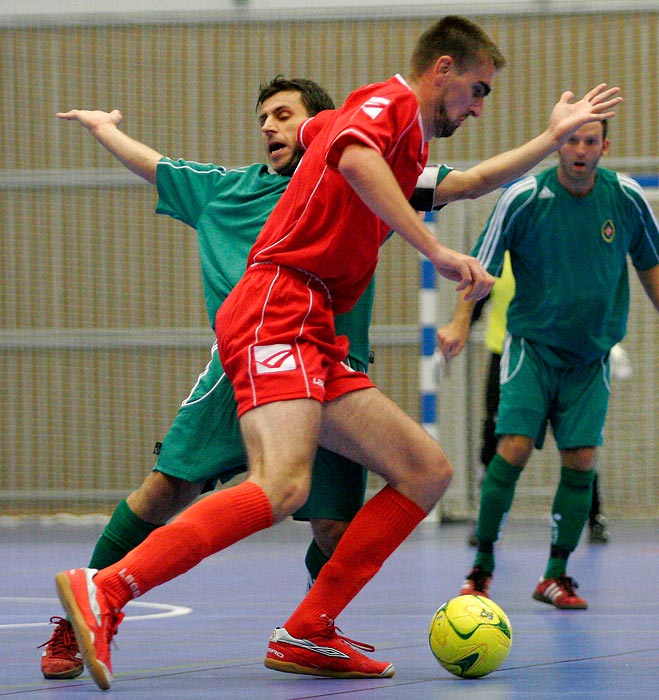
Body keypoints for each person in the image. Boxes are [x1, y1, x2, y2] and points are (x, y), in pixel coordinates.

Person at [54, 16, 621, 689]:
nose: (476, 107)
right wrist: (433, 249)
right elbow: (353, 157)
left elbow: (468, 182)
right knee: (279, 483)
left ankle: (308, 629)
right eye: (475, 91)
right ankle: (108, 589)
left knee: (424, 471)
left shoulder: (403, 149)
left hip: (315, 327)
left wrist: (551, 138)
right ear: (440, 70)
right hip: (276, 305)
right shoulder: (380, 106)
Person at [41, 76, 372, 680]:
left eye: (282, 114)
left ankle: (312, 628)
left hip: (331, 368)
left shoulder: (356, 180)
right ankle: (78, 616)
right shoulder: (231, 191)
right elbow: (158, 166)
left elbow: (454, 182)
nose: (268, 126)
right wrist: (106, 130)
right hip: (242, 363)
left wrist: (548, 141)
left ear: (321, 124)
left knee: (335, 526)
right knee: (167, 490)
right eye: (262, 118)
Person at [438, 118, 659, 611]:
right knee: (512, 448)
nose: (580, 150)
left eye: (590, 141)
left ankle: (556, 574)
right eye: (572, 140)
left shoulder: (625, 198)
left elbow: (650, 262)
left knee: (581, 459)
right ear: (558, 144)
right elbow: (482, 264)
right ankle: (482, 568)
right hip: (531, 350)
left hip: (590, 357)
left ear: (606, 145)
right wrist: (457, 323)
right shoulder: (522, 198)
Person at [467, 253, 613, 547]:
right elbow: (474, 307)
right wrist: (456, 331)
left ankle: (594, 518)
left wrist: (608, 343)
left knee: (577, 441)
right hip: (505, 361)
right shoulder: (498, 265)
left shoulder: (556, 258)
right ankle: (487, 520)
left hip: (557, 361)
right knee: (496, 440)